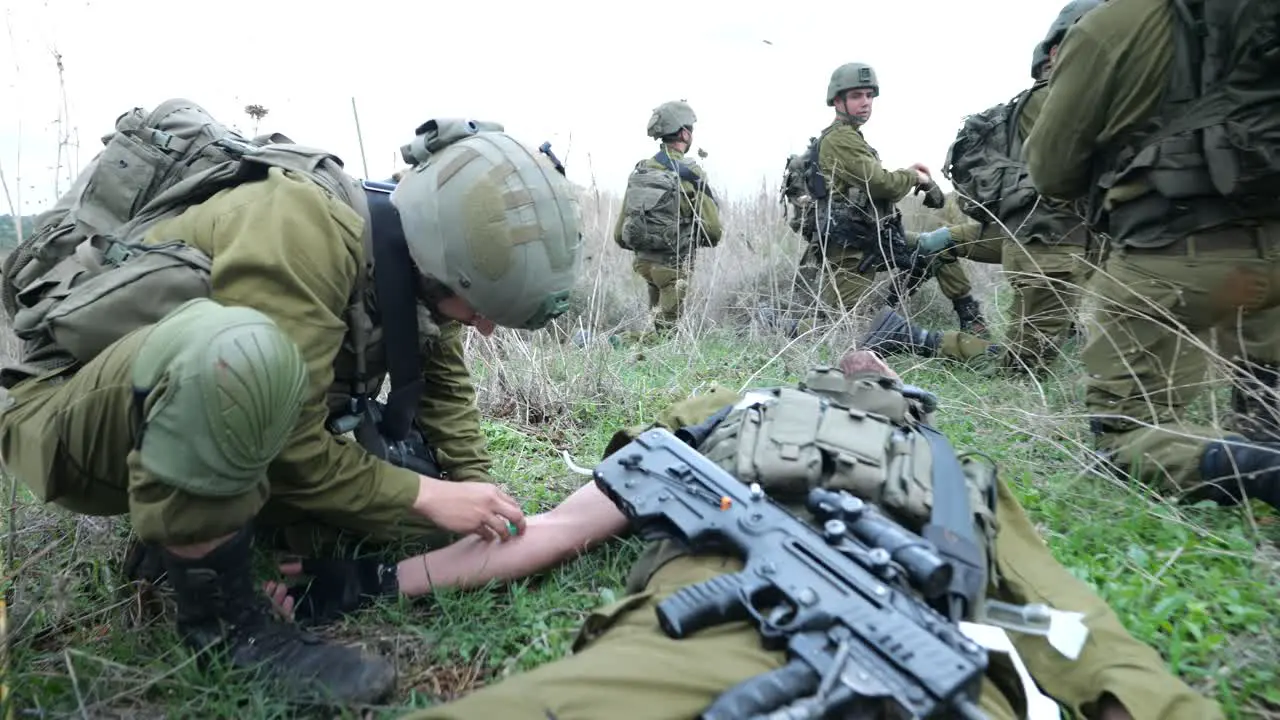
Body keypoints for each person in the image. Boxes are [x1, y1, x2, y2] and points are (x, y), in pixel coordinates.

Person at [268, 350, 1222, 720]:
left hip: (825, 656)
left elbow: (555, 533)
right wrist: (363, 586)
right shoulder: (950, 473)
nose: (862, 358)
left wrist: (370, 588)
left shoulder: (935, 469)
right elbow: (1088, 641)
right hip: (890, 664)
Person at [0, 107, 584, 703]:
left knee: (415, 502)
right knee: (243, 357)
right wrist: (429, 499)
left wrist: (475, 494)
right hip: (72, 416)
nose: (484, 327)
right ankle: (228, 633)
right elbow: (288, 446)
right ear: (442, 259)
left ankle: (209, 530)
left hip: (185, 405)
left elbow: (447, 392)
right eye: (478, 308)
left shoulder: (427, 269)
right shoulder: (300, 227)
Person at [1021, 0, 1280, 510]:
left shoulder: (1113, 24)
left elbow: (1051, 171)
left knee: (1123, 436)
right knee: (1266, 391)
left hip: (1168, 260)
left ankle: (1261, 469)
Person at [861, 0, 1103, 376]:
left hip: (1036, 237)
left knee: (936, 243)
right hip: (1046, 241)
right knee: (1021, 369)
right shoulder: (1057, 101)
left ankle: (1051, 326)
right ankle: (912, 336)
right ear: (1055, 56)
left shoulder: (1042, 104)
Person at [798, 63, 952, 331]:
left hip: (874, 240)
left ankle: (969, 319)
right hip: (851, 250)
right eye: (857, 96)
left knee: (939, 247)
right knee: (843, 329)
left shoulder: (853, 138)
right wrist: (914, 176)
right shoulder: (840, 139)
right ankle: (781, 326)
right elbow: (882, 185)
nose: (866, 102)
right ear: (837, 100)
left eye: (869, 95)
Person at [613, 100, 722, 338]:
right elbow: (713, 233)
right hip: (673, 266)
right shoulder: (691, 173)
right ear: (684, 133)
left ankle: (637, 355)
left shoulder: (641, 169)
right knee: (666, 337)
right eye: (690, 129)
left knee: (657, 323)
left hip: (644, 265)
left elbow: (619, 236)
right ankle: (622, 341)